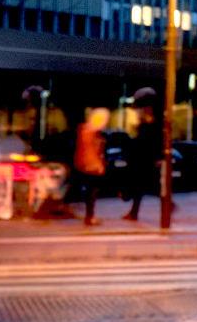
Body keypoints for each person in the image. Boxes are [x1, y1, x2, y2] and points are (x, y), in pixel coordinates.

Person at [119, 89, 167, 222]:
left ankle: (135, 211)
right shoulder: (148, 122)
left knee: (146, 186)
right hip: (142, 157)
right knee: (142, 186)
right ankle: (134, 212)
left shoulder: (154, 123)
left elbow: (156, 141)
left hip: (146, 158)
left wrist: (158, 157)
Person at [71, 107, 109, 226]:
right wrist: (98, 165)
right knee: (91, 192)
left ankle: (90, 216)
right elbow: (89, 151)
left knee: (91, 192)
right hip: (90, 166)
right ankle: (89, 217)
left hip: (88, 164)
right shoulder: (89, 132)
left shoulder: (88, 131)